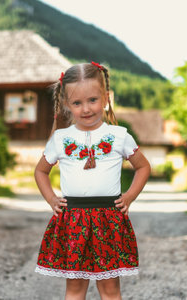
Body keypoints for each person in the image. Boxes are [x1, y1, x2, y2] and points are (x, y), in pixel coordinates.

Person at [34, 62, 151, 300]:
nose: (86, 109)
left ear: (106, 98)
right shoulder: (61, 138)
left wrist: (129, 196)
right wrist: (52, 199)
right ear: (67, 104)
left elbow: (143, 166)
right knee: (75, 289)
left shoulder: (119, 136)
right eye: (77, 103)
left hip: (108, 219)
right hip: (73, 220)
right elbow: (40, 171)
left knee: (110, 289)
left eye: (92, 100)